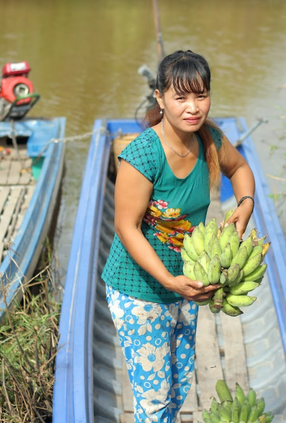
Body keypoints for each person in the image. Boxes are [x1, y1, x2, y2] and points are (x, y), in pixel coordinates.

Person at [101, 49, 256, 423]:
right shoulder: (143, 155)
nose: (192, 107)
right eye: (180, 97)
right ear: (160, 98)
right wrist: (170, 280)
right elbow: (126, 227)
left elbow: (241, 168)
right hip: (140, 290)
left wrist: (245, 205)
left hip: (188, 285)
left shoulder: (210, 140)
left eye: (200, 95)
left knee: (178, 387)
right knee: (154, 402)